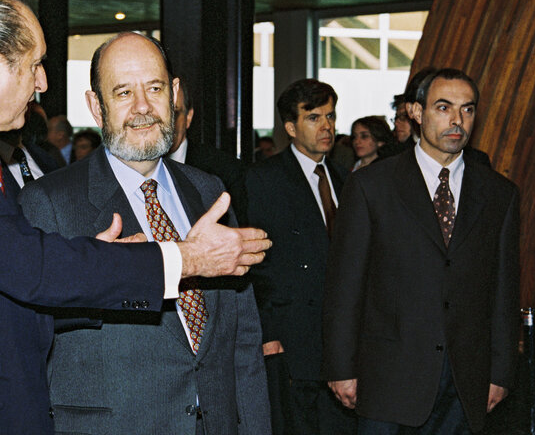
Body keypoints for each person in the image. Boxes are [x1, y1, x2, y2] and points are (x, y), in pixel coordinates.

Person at [0, 0, 270, 435]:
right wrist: (187, 258)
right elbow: (27, 267)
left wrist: (94, 262)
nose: (42, 83)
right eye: (35, 64)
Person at [19, 32, 270, 435]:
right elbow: (26, 331)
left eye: (154, 88)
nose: (142, 108)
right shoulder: (48, 202)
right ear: (95, 108)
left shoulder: (208, 191)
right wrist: (99, 276)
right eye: (122, 93)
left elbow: (241, 338)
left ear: (173, 94)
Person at [323, 68, 519, 434]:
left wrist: (501, 372)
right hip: (387, 378)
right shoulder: (372, 186)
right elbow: (345, 284)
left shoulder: (499, 193)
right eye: (444, 107)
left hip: (466, 382)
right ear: (416, 112)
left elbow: (504, 289)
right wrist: (340, 367)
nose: (457, 120)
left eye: (468, 109)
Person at [246, 79, 355, 435]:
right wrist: (269, 331)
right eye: (313, 118)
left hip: (342, 341)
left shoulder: (343, 178)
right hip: (293, 338)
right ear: (291, 127)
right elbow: (255, 263)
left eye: (330, 116)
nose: (327, 126)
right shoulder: (264, 179)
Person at [167, 80, 248, 224]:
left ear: (188, 117)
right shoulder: (133, 169)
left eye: (174, 113)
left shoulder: (225, 171)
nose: (166, 122)